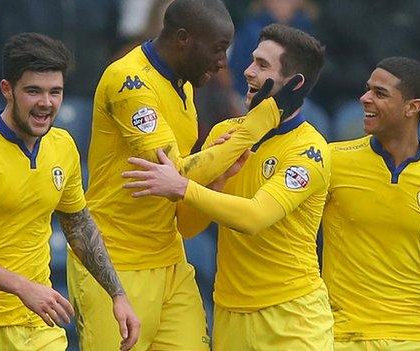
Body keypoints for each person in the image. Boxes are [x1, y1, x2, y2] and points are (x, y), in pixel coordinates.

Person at [66, 0, 307, 350]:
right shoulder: (129, 81)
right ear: (183, 39)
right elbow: (174, 173)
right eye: (218, 49)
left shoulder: (187, 86)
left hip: (171, 262)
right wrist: (255, 125)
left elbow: (183, 208)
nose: (224, 62)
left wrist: (218, 176)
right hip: (116, 265)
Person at [122, 23, 333, 350]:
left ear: (294, 84)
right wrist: (217, 180)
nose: (247, 72)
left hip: (291, 319)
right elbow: (188, 227)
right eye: (252, 61)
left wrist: (183, 188)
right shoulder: (227, 132)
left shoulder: (309, 151)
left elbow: (254, 217)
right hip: (229, 315)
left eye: (263, 66)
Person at [0, 32, 139, 351]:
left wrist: (118, 295)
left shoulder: (63, 146)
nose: (46, 103)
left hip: (36, 328)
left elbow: (78, 225)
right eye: (33, 91)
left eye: (55, 92)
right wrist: (23, 287)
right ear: (7, 90)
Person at [321, 57, 420, 350]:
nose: (365, 98)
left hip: (414, 335)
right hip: (341, 335)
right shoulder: (333, 160)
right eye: (367, 89)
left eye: (379, 93)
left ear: (412, 107)